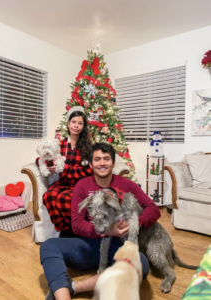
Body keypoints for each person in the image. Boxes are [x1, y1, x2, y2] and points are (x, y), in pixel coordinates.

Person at [40, 143, 161, 300]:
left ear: (113, 163)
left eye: (106, 159)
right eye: (97, 159)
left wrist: (132, 223)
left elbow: (153, 209)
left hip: (118, 246)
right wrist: (104, 231)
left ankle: (75, 287)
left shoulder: (127, 184)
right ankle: (63, 296)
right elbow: (76, 223)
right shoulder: (82, 185)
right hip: (88, 245)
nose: (102, 163)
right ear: (91, 164)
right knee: (48, 246)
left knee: (141, 266)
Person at [37, 106, 93, 233]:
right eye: (73, 122)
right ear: (68, 124)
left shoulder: (88, 148)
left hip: (79, 186)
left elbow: (88, 172)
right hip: (61, 183)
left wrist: (66, 169)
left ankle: (72, 231)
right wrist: (48, 164)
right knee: (49, 196)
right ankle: (63, 229)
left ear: (84, 126)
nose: (76, 126)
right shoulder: (59, 144)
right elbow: (42, 157)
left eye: (80, 123)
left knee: (66, 199)